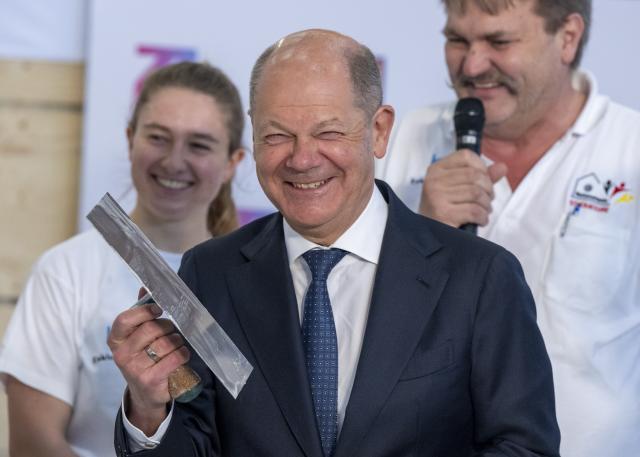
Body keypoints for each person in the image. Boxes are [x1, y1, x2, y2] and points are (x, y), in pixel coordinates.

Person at [109, 29, 560, 457]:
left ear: (379, 130)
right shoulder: (210, 274)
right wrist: (149, 410)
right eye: (278, 134)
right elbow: (196, 443)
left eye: (328, 133)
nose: (303, 159)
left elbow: (524, 446)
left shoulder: (480, 277)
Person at [378, 1, 640, 456]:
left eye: (499, 42)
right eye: (457, 40)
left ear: (568, 37)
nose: (472, 65)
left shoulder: (631, 150)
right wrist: (422, 235)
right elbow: (346, 321)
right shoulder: (401, 138)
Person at [0, 61, 245, 457]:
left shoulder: (253, 279)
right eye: (158, 138)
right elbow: (33, 446)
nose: (173, 161)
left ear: (233, 161)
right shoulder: (67, 270)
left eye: (198, 144)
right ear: (131, 139)